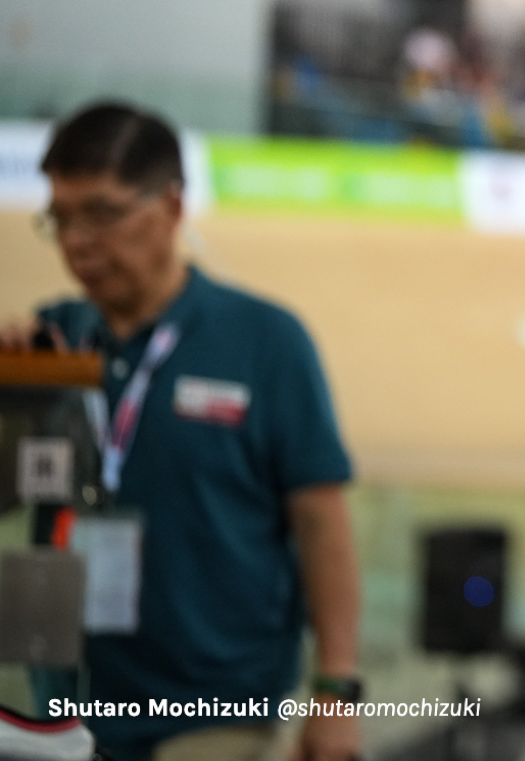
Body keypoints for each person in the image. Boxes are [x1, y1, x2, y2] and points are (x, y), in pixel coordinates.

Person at [0, 103, 362, 761]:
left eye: (101, 214)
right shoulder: (53, 342)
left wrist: (336, 690)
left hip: (218, 706)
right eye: (61, 216)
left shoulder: (266, 342)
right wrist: (11, 397)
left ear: (170, 206)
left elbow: (321, 521)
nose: (77, 240)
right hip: (66, 705)